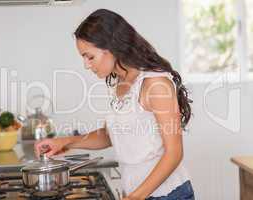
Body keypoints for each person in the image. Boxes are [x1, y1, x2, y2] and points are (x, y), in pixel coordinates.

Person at [34, 9, 195, 200]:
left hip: (169, 195)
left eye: (90, 57)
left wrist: (135, 196)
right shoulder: (121, 83)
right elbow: (110, 136)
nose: (86, 65)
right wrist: (65, 141)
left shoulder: (155, 84)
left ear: (111, 47)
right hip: (138, 194)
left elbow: (174, 153)